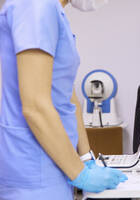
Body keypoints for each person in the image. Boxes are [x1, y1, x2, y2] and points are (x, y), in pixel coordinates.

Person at [0, 0, 127, 199]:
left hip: (54, 160)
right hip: (33, 168)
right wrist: (81, 174)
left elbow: (66, 93)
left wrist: (86, 158)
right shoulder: (36, 5)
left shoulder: (53, 12)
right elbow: (35, 107)